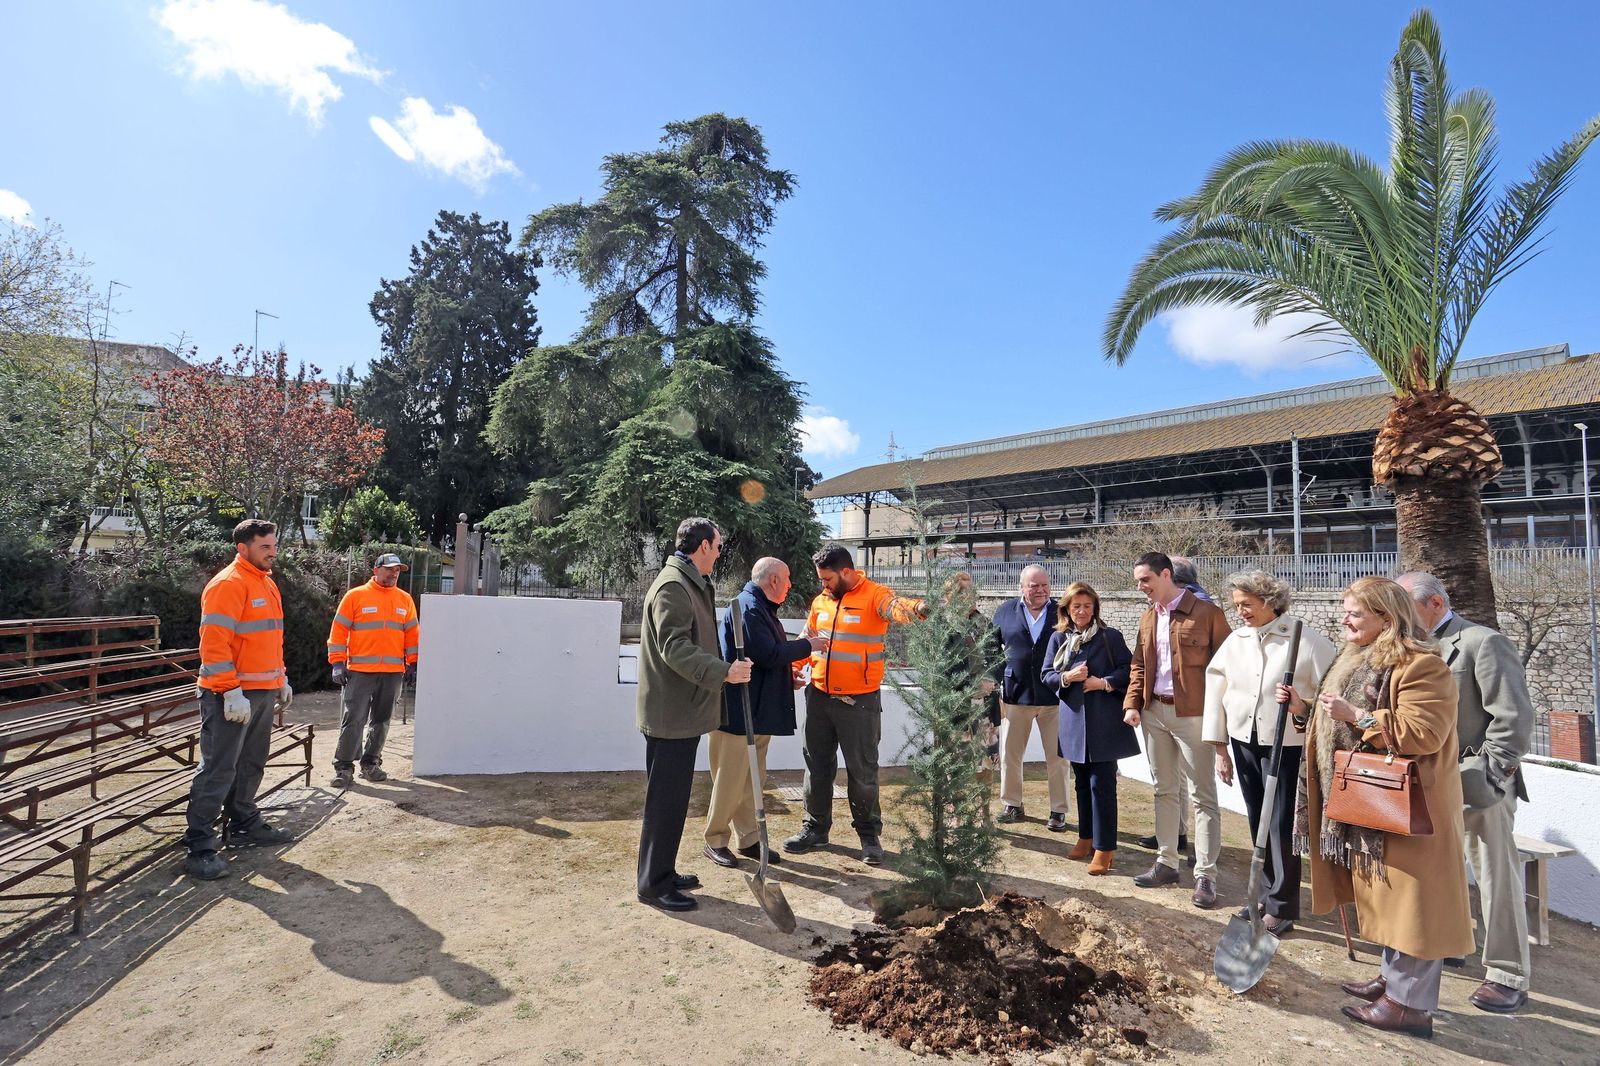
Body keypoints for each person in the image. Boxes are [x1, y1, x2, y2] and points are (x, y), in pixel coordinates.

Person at [1283, 576, 1474, 1039]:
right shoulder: (1358, 659)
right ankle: (1392, 981)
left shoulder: (1422, 666)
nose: (1344, 620)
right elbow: (1336, 725)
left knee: (1414, 906)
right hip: (1375, 802)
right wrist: (1305, 709)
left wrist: (1356, 716)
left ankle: (1409, 1008)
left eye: (1354, 613)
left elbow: (1422, 734)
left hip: (1412, 808)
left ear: (1386, 618)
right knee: (1391, 898)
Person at [1397, 571, 1534, 1013]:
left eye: (1406, 605)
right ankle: (1450, 943)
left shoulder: (1482, 642)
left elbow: (1512, 718)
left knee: (1495, 877)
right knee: (1439, 871)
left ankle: (1507, 975)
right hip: (1427, 783)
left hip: (1478, 785)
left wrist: (1489, 774)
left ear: (1435, 603)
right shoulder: (1411, 645)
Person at [1202, 570, 1337, 934]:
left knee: (1280, 826)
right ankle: (1265, 895)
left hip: (1286, 746)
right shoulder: (1237, 640)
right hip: (1245, 741)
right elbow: (1216, 691)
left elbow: (1332, 696)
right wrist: (1219, 747)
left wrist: (1302, 706)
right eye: (1236, 605)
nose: (1240, 612)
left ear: (1269, 601)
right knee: (1257, 821)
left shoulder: (1307, 640)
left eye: (1246, 604)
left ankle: (1282, 906)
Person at [635, 518, 753, 912]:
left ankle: (662, 872)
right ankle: (653, 885)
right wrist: (724, 672)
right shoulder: (673, 586)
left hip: (680, 713)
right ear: (703, 546)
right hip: (670, 716)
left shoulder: (688, 583)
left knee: (673, 802)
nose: (718, 554)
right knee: (664, 804)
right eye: (717, 547)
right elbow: (675, 649)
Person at [784, 544, 926, 866]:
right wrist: (793, 667)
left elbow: (895, 607)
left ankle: (868, 836)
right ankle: (815, 829)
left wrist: (919, 607)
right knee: (816, 767)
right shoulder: (820, 601)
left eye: (828, 578)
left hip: (859, 702)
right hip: (819, 697)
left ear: (846, 571)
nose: (823, 584)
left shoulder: (874, 595)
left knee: (862, 771)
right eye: (821, 579)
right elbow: (807, 639)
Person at [183, 518, 295, 880]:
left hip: (260, 692)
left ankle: (243, 820)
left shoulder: (266, 582)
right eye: (265, 547)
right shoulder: (228, 584)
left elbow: (271, 639)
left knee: (251, 762)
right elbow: (214, 643)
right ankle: (199, 846)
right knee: (218, 769)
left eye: (274, 546)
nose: (272, 553)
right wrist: (230, 689)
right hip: (228, 695)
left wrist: (280, 677)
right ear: (242, 548)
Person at [1123, 551, 1232, 908]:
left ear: (1166, 575)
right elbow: (1139, 665)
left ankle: (1206, 875)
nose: (1140, 587)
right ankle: (1166, 863)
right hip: (1153, 713)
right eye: (1138, 581)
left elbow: (1227, 671)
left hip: (1194, 717)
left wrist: (1220, 726)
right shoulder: (1147, 617)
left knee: (1203, 796)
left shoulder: (1208, 614)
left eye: (1145, 580)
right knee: (1164, 790)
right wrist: (1132, 704)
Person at [703, 558, 826, 869]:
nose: (790, 585)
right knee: (730, 781)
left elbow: (762, 660)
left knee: (751, 781)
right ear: (773, 580)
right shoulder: (749, 608)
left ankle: (748, 839)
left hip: (756, 712)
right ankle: (714, 840)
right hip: (738, 714)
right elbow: (768, 654)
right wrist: (808, 645)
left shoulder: (760, 609)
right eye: (787, 579)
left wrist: (786, 678)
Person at [1041, 582, 1138, 875]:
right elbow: (1047, 675)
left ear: (1095, 608)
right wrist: (1067, 677)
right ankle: (1085, 837)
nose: (1082, 612)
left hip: (1104, 722)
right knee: (1081, 783)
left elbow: (1129, 670)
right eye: (1076, 607)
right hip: (1073, 722)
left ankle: (1105, 848)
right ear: (1067, 610)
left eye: (1087, 606)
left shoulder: (1110, 636)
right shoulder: (1059, 638)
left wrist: (1103, 683)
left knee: (1102, 785)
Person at [326, 552, 420, 788]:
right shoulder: (355, 596)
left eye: (397, 570)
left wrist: (413, 663)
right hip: (359, 671)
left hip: (392, 673)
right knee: (354, 719)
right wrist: (337, 662)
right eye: (389, 569)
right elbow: (338, 631)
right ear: (376, 570)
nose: (393, 574)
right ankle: (343, 767)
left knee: (382, 720)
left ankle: (371, 763)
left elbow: (412, 634)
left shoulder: (405, 600)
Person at [988, 564, 1070, 829]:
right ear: (1022, 587)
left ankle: (1058, 810)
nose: (1041, 590)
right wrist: (997, 679)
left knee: (1058, 758)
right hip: (1016, 694)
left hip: (1055, 697)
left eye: (1045, 585)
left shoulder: (1063, 611)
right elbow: (991, 650)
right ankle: (1012, 804)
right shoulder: (1004, 612)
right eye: (1034, 586)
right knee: (1010, 755)